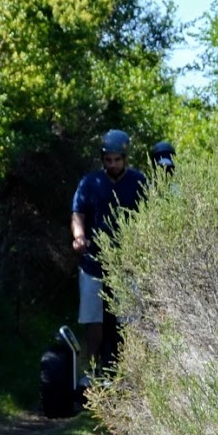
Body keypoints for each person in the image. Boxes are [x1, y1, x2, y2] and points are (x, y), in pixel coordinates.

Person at [70, 129, 147, 381]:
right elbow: (78, 213)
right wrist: (79, 236)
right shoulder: (90, 182)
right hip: (93, 262)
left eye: (116, 160)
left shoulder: (138, 182)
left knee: (129, 320)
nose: (112, 164)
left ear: (125, 158)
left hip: (127, 263)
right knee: (94, 318)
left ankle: (129, 373)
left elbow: (149, 217)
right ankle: (93, 370)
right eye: (108, 160)